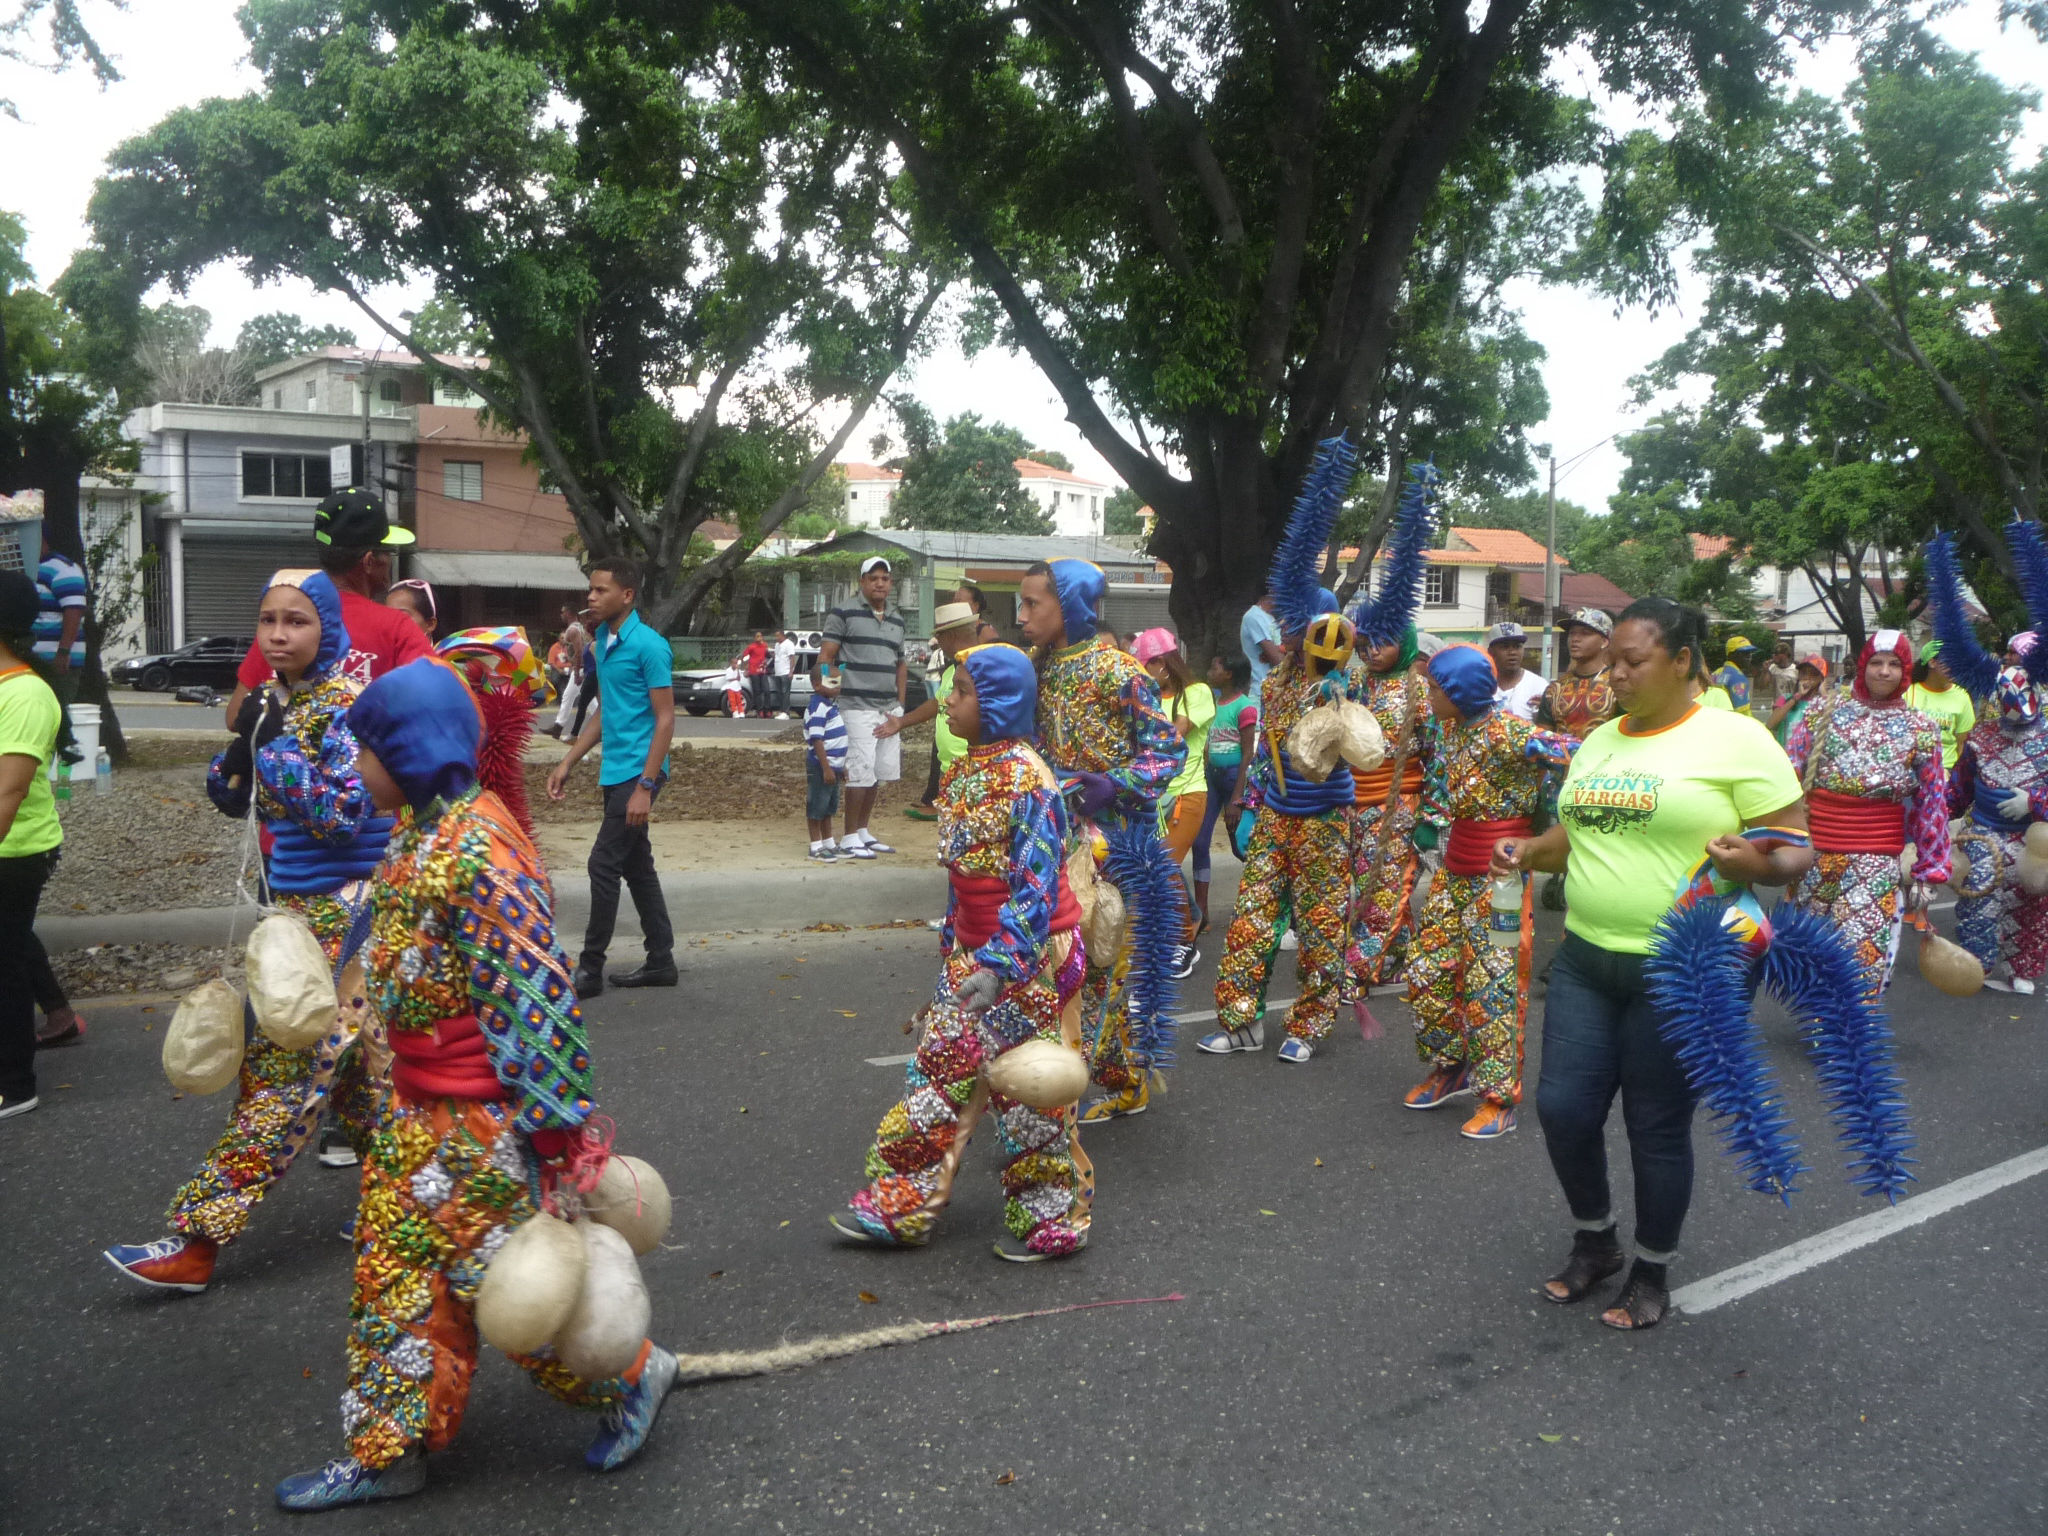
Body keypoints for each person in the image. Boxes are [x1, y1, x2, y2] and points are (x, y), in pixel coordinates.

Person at [274, 659, 678, 1510]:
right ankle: (391, 1446)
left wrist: (558, 1133)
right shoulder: (420, 830)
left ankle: (631, 1377)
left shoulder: (480, 848)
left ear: (409, 749)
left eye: (367, 753)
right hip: (414, 1114)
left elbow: (534, 997)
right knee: (393, 1278)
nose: (357, 772)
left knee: (515, 1293)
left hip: (481, 1127)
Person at [1495, 597, 1810, 1330]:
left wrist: (1757, 863)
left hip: (1683, 969)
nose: (1616, 674)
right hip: (1586, 959)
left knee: (1655, 1125)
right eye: (1612, 661)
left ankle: (1652, 1270)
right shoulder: (1601, 740)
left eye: (1633, 661)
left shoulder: (1737, 739)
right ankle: (1596, 1240)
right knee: (1563, 1108)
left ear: (1682, 662)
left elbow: (1797, 844)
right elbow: (1575, 834)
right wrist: (1528, 851)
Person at [103, 569, 395, 1291]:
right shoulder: (277, 702)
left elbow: (339, 815)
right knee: (367, 1082)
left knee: (280, 1075)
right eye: (268, 620)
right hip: (297, 910)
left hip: (348, 912)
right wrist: (229, 770)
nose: (277, 634)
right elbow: (249, 793)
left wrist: (269, 749)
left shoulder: (349, 708)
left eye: (296, 620)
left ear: (329, 628)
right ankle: (414, 1210)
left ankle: (197, 1241)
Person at [830, 643, 1094, 1261]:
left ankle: (1049, 1221)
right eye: (952, 689)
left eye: (964, 692)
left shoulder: (1031, 779)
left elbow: (1032, 888)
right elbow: (962, 876)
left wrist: (1001, 969)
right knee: (933, 1081)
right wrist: (954, 947)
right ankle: (903, 1205)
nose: (948, 701)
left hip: (1021, 965)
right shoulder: (966, 769)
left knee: (1025, 1098)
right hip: (969, 961)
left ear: (999, 703)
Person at [1019, 559, 1183, 1121]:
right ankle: (1103, 1076)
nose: (1021, 617)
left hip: (1116, 847)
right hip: (1055, 842)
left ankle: (1076, 1096)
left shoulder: (1121, 673)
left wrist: (1116, 783)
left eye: (1031, 604)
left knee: (1097, 968)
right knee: (1062, 964)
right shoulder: (1036, 672)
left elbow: (1169, 752)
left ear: (1067, 604)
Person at [1401, 644, 1576, 1139]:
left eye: (1435, 689)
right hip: (1454, 874)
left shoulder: (1510, 732)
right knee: (1426, 968)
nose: (1429, 697)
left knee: (1494, 983)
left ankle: (1498, 1099)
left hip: (1500, 882)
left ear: (1459, 691)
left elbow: (1578, 755)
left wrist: (1555, 822)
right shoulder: (1450, 729)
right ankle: (1450, 1066)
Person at [1204, 609, 1361, 1061]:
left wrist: (1341, 702)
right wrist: (1252, 803)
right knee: (1250, 920)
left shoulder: (1351, 685)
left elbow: (1368, 747)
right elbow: (1266, 756)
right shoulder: (1274, 685)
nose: (1284, 635)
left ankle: (1309, 1026)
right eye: (1286, 626)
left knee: (1320, 928)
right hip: (1276, 818)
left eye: (1298, 628)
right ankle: (1240, 1023)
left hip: (1325, 822)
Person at [1784, 630, 1949, 1002]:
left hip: (1875, 856)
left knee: (1862, 948)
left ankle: (1848, 1030)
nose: (1885, 672)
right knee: (1809, 944)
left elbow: (1931, 803)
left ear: (1906, 671)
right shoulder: (1821, 712)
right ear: (1862, 665)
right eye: (1877, 662)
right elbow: (1786, 776)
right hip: (1814, 852)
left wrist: (1929, 869)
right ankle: (1816, 1020)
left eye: (1894, 664)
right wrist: (1775, 840)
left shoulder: (1922, 729)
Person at [546, 559, 677, 996]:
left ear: (627, 595)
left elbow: (664, 721)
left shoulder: (650, 646)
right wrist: (569, 761)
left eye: (601, 590)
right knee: (637, 867)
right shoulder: (602, 639)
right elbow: (606, 711)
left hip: (639, 773)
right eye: (590, 589)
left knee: (602, 864)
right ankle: (661, 960)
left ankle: (590, 969)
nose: (591, 597)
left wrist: (645, 786)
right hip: (614, 770)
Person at [1926, 533, 2048, 994]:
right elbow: (1958, 787)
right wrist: (1932, 816)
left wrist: (2035, 802)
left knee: (2031, 897)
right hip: (1983, 832)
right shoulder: (1981, 737)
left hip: (2035, 840)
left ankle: (2023, 970)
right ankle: (1978, 963)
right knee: (1978, 891)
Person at [224, 487, 430, 728]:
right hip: (363, 764)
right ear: (369, 561)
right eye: (389, 552)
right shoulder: (397, 627)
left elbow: (235, 718)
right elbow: (436, 705)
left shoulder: (281, 624)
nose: (390, 561)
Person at [0, 570, 72, 1122]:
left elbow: (9, 792)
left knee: (7, 963)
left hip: (15, 852)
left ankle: (14, 1084)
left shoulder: (25, 694)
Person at [1345, 626, 1434, 991]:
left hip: (1399, 802)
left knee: (1384, 886)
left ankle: (1355, 969)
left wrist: (1431, 817)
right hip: (1352, 802)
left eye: (1385, 642)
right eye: (1366, 644)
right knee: (1369, 881)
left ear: (1406, 643)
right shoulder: (1352, 683)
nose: (1373, 652)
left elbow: (1437, 756)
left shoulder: (1422, 690)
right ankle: (1403, 953)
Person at [1133, 628, 1213, 977]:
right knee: (1154, 865)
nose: (1141, 673)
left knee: (1162, 865)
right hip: (1151, 796)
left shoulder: (1197, 693)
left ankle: (1185, 940)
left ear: (1162, 664)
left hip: (1186, 793)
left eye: (1144, 666)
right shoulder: (1148, 696)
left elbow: (1173, 734)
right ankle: (1182, 921)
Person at [819, 556, 907, 857]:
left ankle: (862, 830)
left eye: (885, 578)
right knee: (859, 771)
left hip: (888, 707)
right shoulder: (843, 612)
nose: (880, 583)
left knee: (878, 772)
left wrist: (901, 705)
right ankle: (847, 836)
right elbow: (825, 658)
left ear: (890, 583)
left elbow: (901, 663)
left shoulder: (897, 617)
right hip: (855, 705)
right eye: (873, 577)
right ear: (862, 581)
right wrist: (829, 698)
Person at [880, 603, 981, 831]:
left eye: (939, 637)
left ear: (951, 636)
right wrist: (902, 722)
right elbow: (937, 703)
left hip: (973, 769)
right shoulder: (952, 670)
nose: (938, 643)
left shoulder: (982, 669)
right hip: (950, 770)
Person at [1193, 652, 1256, 935]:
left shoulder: (1244, 707)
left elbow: (1247, 754)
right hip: (1211, 779)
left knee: (1240, 846)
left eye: (1215, 665)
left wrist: (1236, 800)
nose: (1210, 669)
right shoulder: (1211, 702)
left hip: (1233, 780)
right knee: (1199, 842)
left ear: (1229, 674)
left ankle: (1263, 902)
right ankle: (1201, 912)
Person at [1534, 609, 1617, 737]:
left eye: (1585, 633)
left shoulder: (1618, 685)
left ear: (1605, 641)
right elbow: (1543, 740)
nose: (1575, 639)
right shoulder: (1554, 689)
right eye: (1572, 633)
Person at [32, 538, 88, 705]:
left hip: (55, 661)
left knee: (56, 712)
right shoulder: (22, 568)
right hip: (31, 660)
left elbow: (74, 610)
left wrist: (63, 652)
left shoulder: (62, 569)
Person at [1905, 640, 1975, 771]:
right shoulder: (1907, 693)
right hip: (1913, 770)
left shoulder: (1962, 696)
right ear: (1932, 662)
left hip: (1946, 771)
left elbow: (1962, 744)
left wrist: (1954, 775)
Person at [804, 664, 849, 860]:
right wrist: (826, 768)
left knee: (829, 806)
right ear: (816, 685)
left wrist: (841, 766)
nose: (837, 687)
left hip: (834, 766)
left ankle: (829, 842)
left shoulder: (830, 706)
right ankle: (815, 846)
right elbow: (817, 739)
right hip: (821, 766)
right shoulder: (819, 707)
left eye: (839, 682)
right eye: (832, 682)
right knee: (817, 806)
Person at [1486, 621, 1547, 721]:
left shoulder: (1539, 685)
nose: (1512, 652)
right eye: (1505, 647)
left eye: (1517, 646)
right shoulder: (1482, 686)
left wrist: (1544, 715)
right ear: (1491, 652)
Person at [1766, 653, 1829, 746]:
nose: (1807, 677)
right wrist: (1796, 697)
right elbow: (1770, 724)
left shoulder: (1822, 702)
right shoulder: (1786, 698)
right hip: (1786, 756)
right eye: (1804, 673)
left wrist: (1824, 695)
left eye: (1813, 674)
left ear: (1821, 679)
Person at [1240, 585, 1285, 692]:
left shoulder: (1271, 618)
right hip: (1260, 690)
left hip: (1274, 689)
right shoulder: (1254, 616)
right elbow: (1278, 660)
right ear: (1272, 590)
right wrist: (1276, 653)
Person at [1711, 634, 1759, 715]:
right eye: (1744, 653)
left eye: (1750, 653)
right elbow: (1743, 712)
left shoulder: (1715, 674)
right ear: (1731, 654)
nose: (1749, 657)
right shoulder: (1738, 678)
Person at [1764, 638, 1800, 716]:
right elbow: (1764, 685)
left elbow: (1799, 690)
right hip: (1776, 706)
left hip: (1790, 706)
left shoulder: (1795, 670)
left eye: (1777, 653)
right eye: (1773, 653)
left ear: (1785, 654)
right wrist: (1766, 670)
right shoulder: (1772, 668)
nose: (1774, 656)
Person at [742, 630, 771, 717]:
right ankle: (760, 710)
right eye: (757, 636)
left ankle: (767, 709)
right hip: (754, 671)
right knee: (757, 691)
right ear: (754, 638)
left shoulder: (765, 645)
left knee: (767, 690)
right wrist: (746, 666)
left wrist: (766, 661)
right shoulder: (751, 647)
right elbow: (744, 657)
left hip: (763, 670)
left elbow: (768, 656)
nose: (759, 638)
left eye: (760, 636)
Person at [772, 629, 799, 717]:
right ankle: (782, 711)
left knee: (785, 692)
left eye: (777, 636)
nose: (776, 638)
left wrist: (791, 671)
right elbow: (776, 656)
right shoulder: (776, 645)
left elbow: (792, 658)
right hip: (778, 672)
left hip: (785, 672)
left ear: (782, 635)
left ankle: (786, 712)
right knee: (779, 693)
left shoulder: (789, 644)